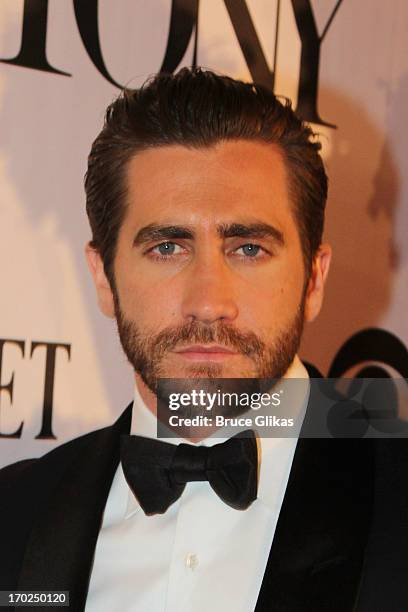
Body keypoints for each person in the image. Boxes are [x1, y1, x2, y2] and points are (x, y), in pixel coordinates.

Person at [0, 67, 407, 612]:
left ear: (314, 279)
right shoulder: (15, 513)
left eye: (248, 249)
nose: (209, 300)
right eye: (168, 247)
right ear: (104, 278)